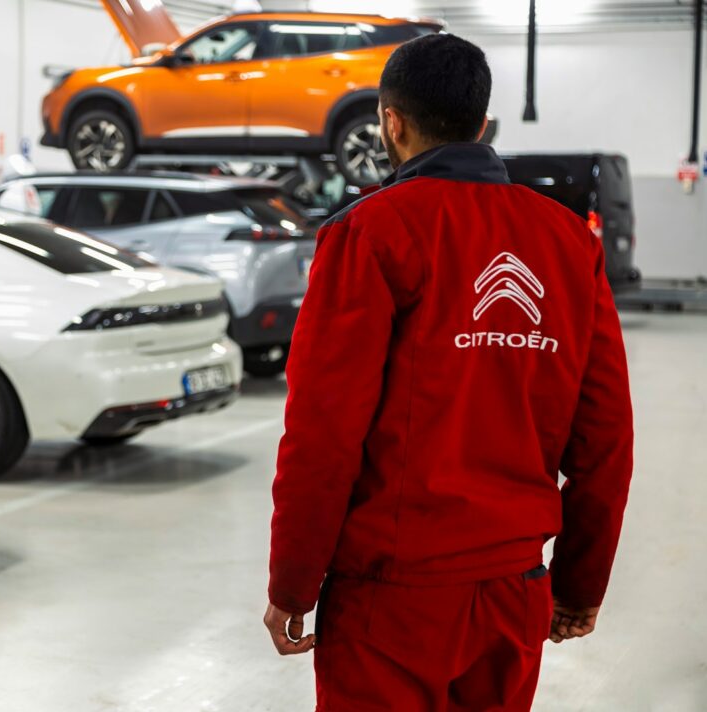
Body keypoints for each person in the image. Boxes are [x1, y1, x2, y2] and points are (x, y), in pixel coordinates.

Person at [264, 34, 634, 711]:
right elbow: (605, 434)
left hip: (391, 597)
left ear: (391, 122)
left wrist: (293, 582)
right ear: (482, 123)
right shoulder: (566, 242)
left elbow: (323, 430)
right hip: (513, 592)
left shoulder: (370, 233)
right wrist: (580, 585)